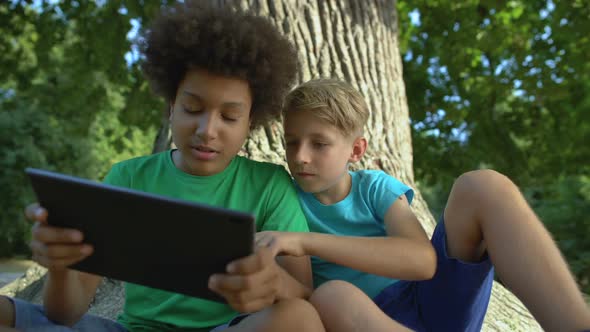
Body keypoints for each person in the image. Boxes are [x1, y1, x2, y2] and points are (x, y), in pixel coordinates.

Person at [0, 2, 327, 331]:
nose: (207, 130)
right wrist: (61, 267)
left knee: (299, 317)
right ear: (172, 107)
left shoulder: (270, 186)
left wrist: (276, 285)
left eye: (229, 116)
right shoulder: (127, 177)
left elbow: (305, 296)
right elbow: (65, 315)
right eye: (191, 108)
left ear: (250, 123)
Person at [256, 78, 590, 332]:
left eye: (319, 144)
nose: (300, 156)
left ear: (356, 151)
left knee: (482, 185)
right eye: (292, 142)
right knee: (332, 296)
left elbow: (422, 262)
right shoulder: (283, 199)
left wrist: (306, 242)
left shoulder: (373, 187)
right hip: (359, 320)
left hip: (430, 301)